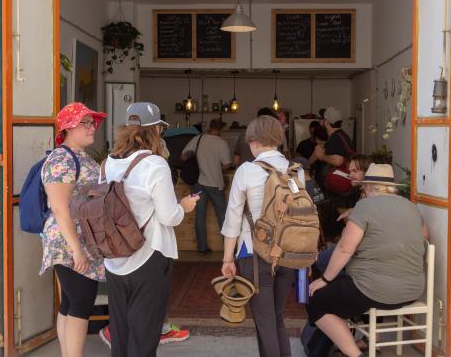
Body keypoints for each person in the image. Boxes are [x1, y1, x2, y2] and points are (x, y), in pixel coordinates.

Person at [102, 102, 199, 357]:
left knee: (120, 332)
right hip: (148, 256)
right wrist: (184, 206)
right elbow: (169, 216)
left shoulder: (108, 163)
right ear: (155, 130)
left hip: (114, 258)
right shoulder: (155, 164)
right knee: (144, 337)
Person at [306, 164, 429, 357]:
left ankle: (355, 354)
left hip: (375, 292)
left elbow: (345, 248)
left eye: (364, 187)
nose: (362, 190)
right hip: (412, 291)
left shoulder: (364, 207)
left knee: (316, 300)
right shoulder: (411, 207)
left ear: (370, 187)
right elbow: (423, 238)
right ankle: (370, 340)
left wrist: (325, 280)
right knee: (355, 283)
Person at [221, 115, 304, 357]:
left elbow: (233, 219)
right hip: (288, 252)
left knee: (265, 322)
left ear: (254, 141)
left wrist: (228, 259)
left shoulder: (246, 171)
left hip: (254, 254)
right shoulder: (295, 171)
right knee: (276, 319)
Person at [40, 102, 107, 357]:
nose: (93, 128)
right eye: (86, 123)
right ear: (68, 127)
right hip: (69, 240)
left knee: (70, 302)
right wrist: (76, 249)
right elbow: (59, 207)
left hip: (78, 238)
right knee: (81, 301)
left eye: (93, 123)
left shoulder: (81, 156)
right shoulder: (61, 158)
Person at [181, 118, 232, 254]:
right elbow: (227, 164)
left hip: (198, 183)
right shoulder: (221, 143)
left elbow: (183, 156)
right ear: (221, 130)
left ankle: (203, 248)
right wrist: (215, 167)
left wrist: (196, 161)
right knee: (222, 215)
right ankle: (228, 248)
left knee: (200, 215)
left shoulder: (198, 139)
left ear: (210, 127)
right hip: (215, 183)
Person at [313, 107, 355, 189]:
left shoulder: (336, 137)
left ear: (326, 123)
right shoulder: (341, 135)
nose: (321, 121)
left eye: (323, 119)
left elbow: (337, 161)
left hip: (337, 189)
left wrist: (322, 156)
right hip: (339, 186)